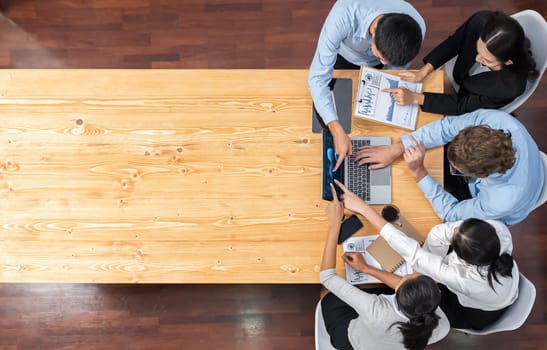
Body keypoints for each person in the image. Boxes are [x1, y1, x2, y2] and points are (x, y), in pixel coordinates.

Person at [334, 179, 519, 330]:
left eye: (456, 232)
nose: (454, 227)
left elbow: (415, 255)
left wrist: (365, 210)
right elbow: (440, 232)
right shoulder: (499, 230)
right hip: (496, 286)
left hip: (476, 311)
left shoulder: (465, 280)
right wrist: (427, 259)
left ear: (463, 258)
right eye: (461, 226)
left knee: (415, 296)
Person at [353, 109, 543, 226]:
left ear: (480, 176)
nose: (450, 165)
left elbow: (452, 215)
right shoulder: (497, 120)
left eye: (457, 168)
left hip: (508, 206)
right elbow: (446, 128)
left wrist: (419, 173)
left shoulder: (500, 200)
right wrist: (397, 147)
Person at [319, 184, 449, 350]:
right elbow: (406, 291)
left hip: (351, 338)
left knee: (327, 293)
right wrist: (367, 269)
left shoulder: (377, 311)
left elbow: (327, 277)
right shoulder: (442, 326)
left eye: (405, 278)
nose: (406, 275)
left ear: (399, 294)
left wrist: (334, 225)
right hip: (380, 332)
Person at [309, 0, 425, 172]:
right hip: (345, 56)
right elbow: (317, 78)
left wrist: (388, 74)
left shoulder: (417, 26)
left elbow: (393, 70)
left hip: (378, 69)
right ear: (374, 29)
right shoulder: (343, 16)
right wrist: (336, 129)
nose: (382, 62)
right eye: (380, 56)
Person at [384, 11, 538, 115]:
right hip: (459, 74)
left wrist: (416, 98)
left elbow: (462, 106)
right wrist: (425, 70)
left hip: (469, 98)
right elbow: (455, 42)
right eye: (478, 50)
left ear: (508, 61)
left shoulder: (509, 87)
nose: (477, 59)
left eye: (486, 60)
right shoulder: (481, 21)